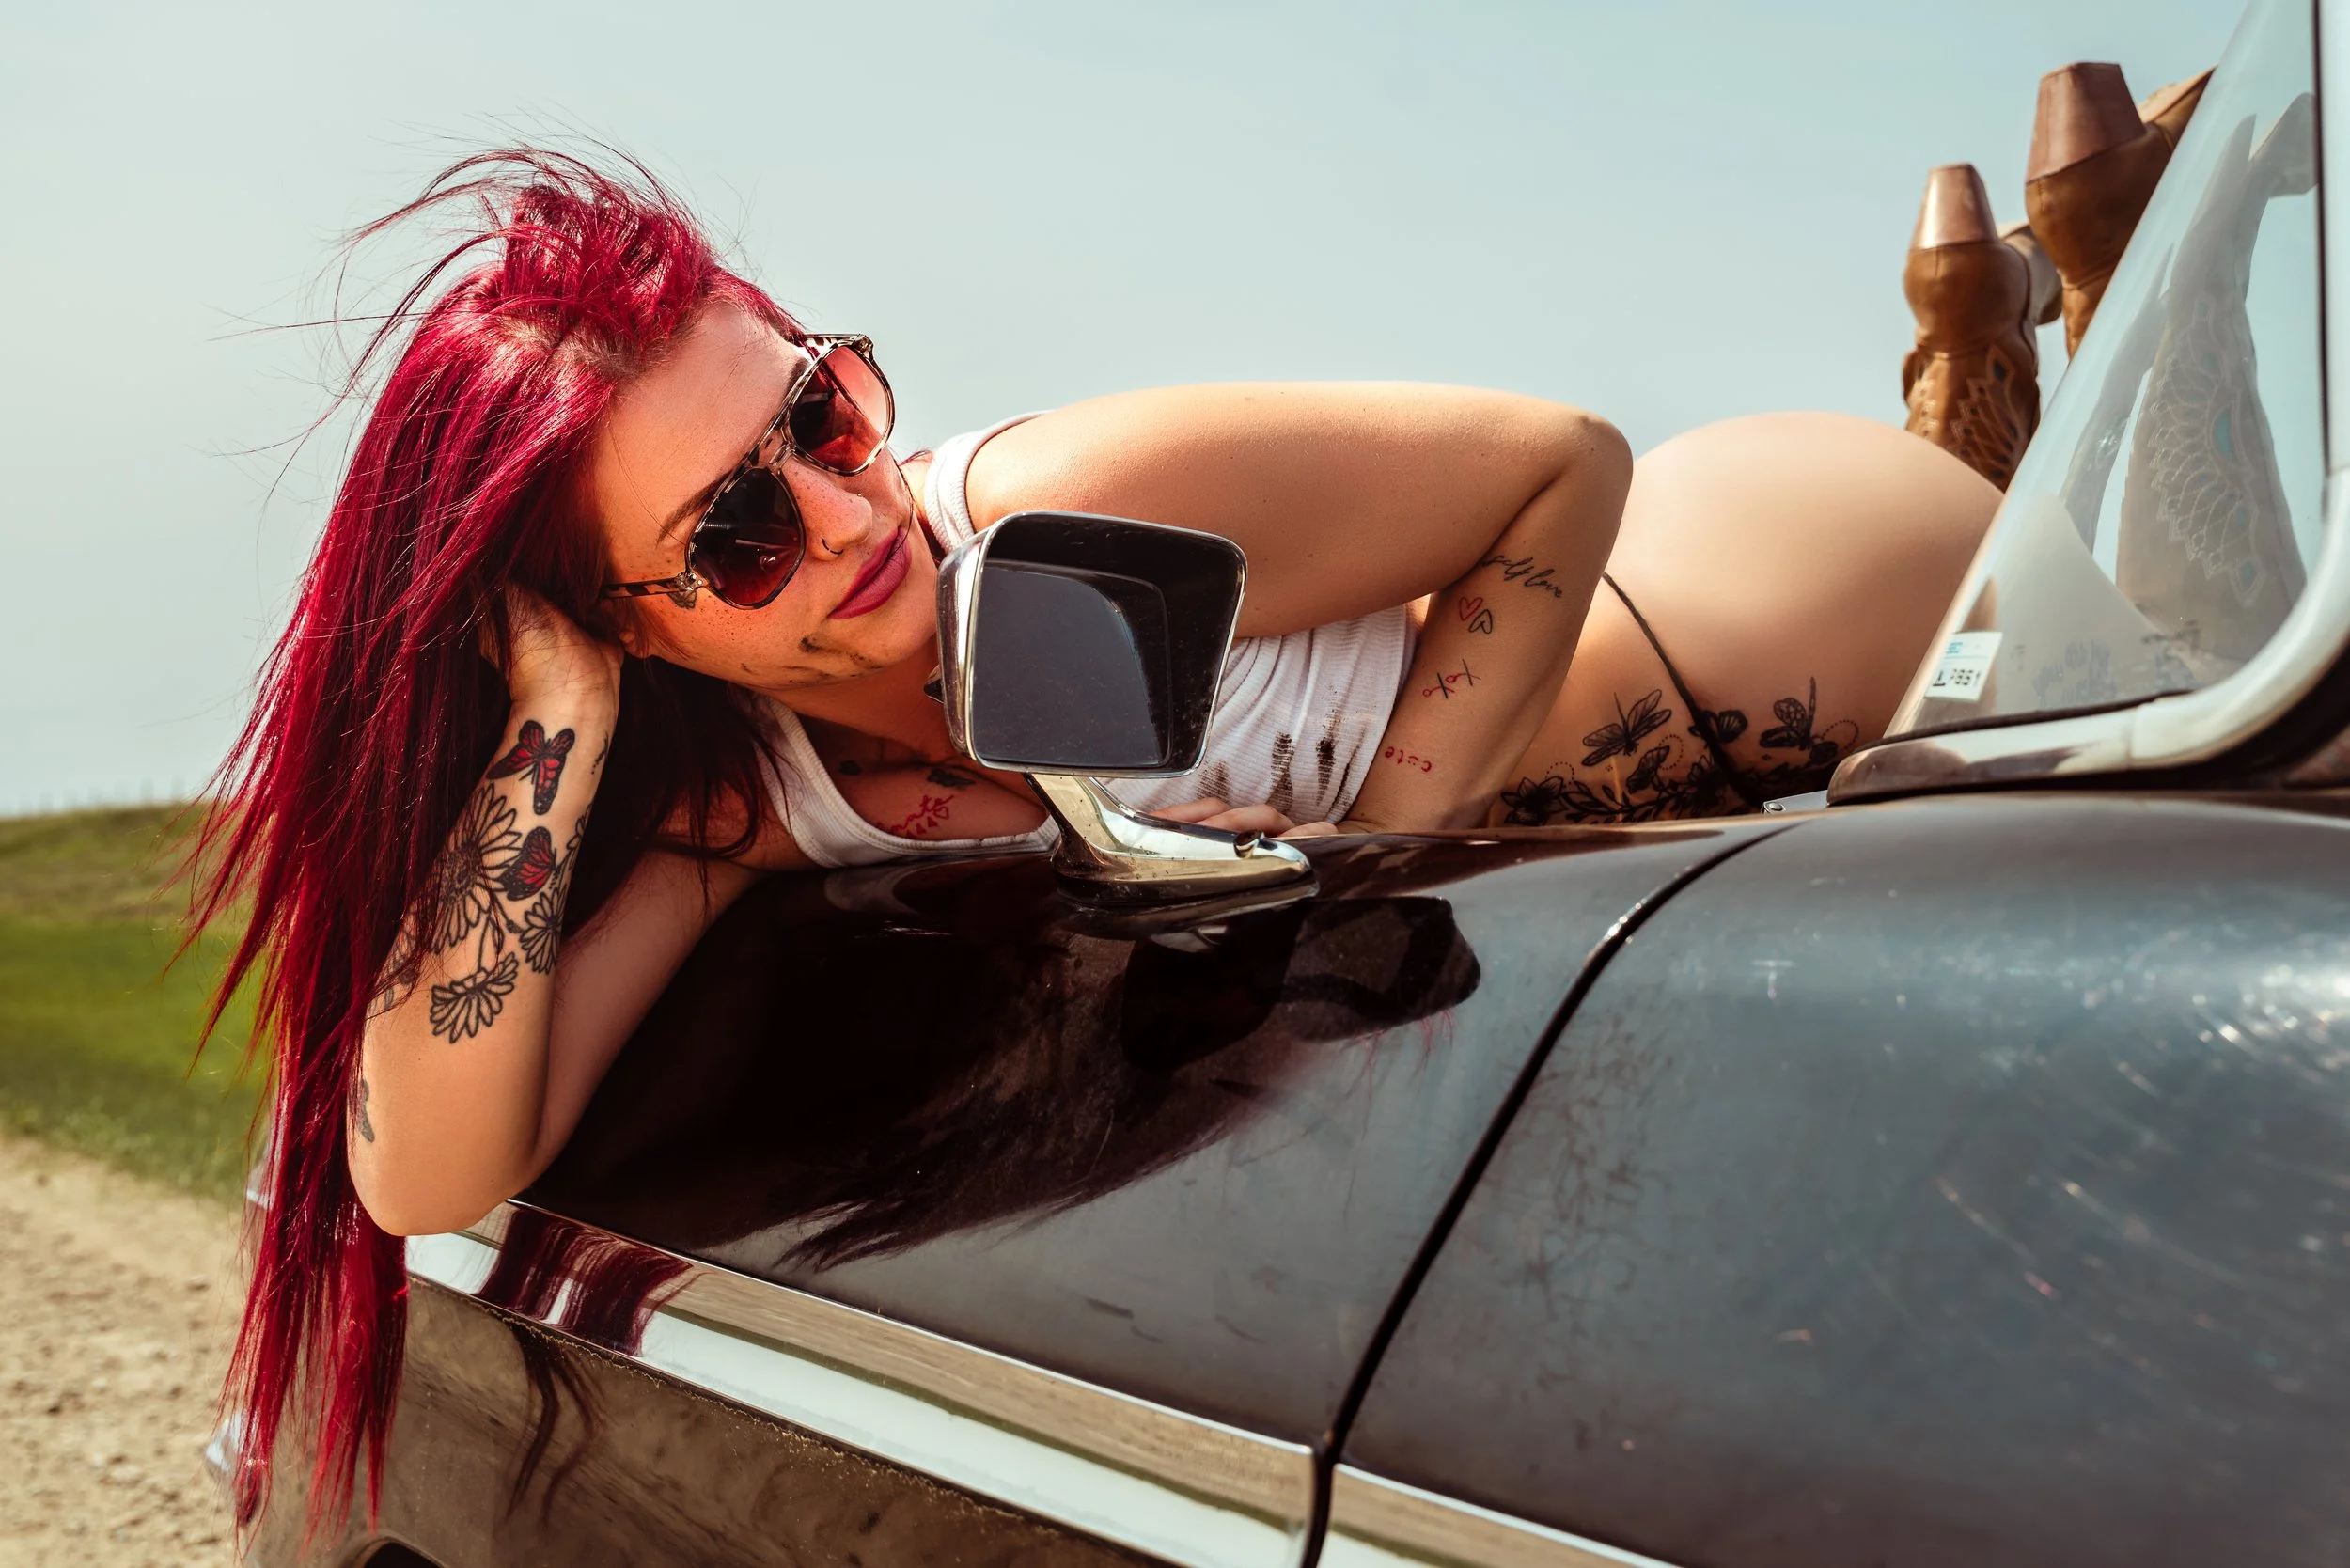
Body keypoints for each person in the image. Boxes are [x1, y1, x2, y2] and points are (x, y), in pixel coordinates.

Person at [195, 149, 1997, 1524]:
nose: (842, 512)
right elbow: (420, 1178)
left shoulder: (1052, 514)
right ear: (634, 626)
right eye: (738, 537)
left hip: (1826, 600)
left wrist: (1374, 854)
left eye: (816, 408)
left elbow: (1562, 461)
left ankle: (1984, 370)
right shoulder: (747, 799)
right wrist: (551, 727)